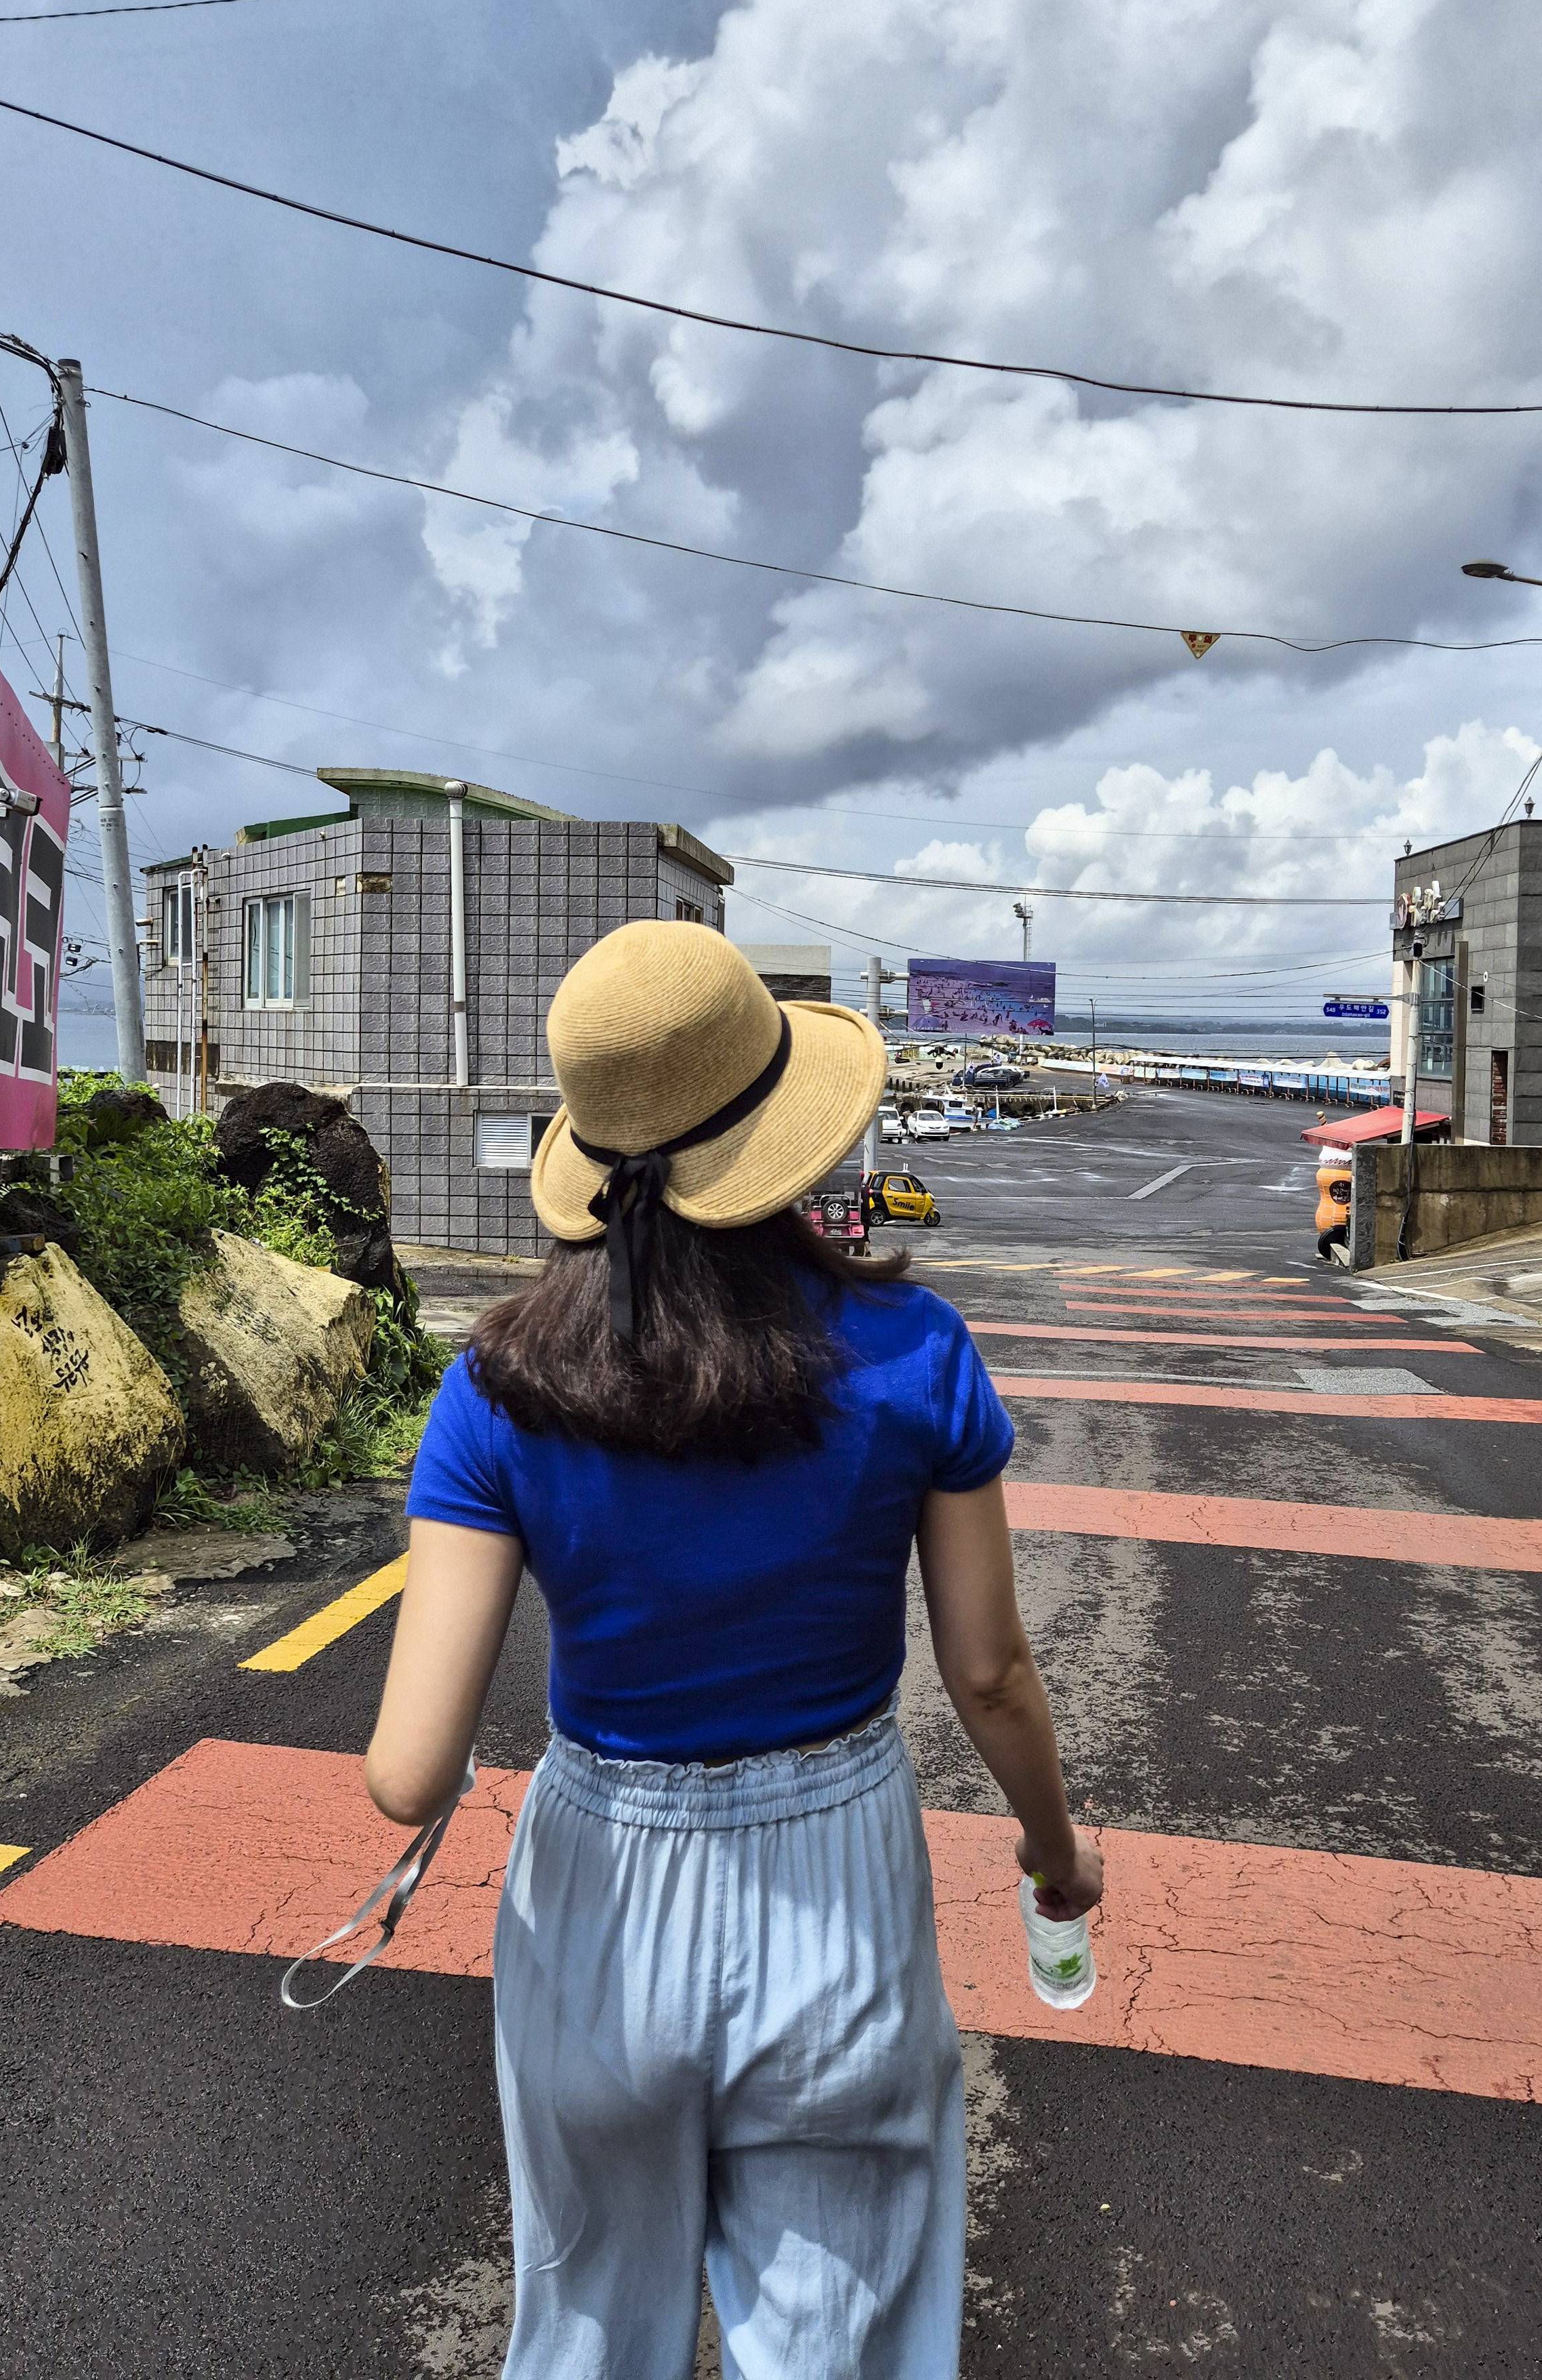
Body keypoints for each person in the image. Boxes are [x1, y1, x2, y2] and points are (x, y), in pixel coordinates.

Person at [364, 921, 1103, 2379]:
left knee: (584, 2338)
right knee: (845, 2347)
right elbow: (992, 1671)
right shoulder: (914, 1353)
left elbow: (409, 1773)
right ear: (784, 1131)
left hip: (594, 1897)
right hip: (836, 1880)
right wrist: (1053, 1849)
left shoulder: (496, 1388)